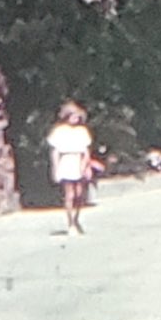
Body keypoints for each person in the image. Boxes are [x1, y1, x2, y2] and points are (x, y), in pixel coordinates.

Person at [46, 101, 93, 235]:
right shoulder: (59, 131)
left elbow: (86, 151)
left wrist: (86, 166)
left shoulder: (82, 131)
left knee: (79, 194)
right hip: (66, 162)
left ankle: (76, 217)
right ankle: (70, 222)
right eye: (73, 116)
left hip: (78, 161)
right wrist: (55, 168)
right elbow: (55, 152)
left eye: (78, 116)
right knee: (69, 194)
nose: (76, 119)